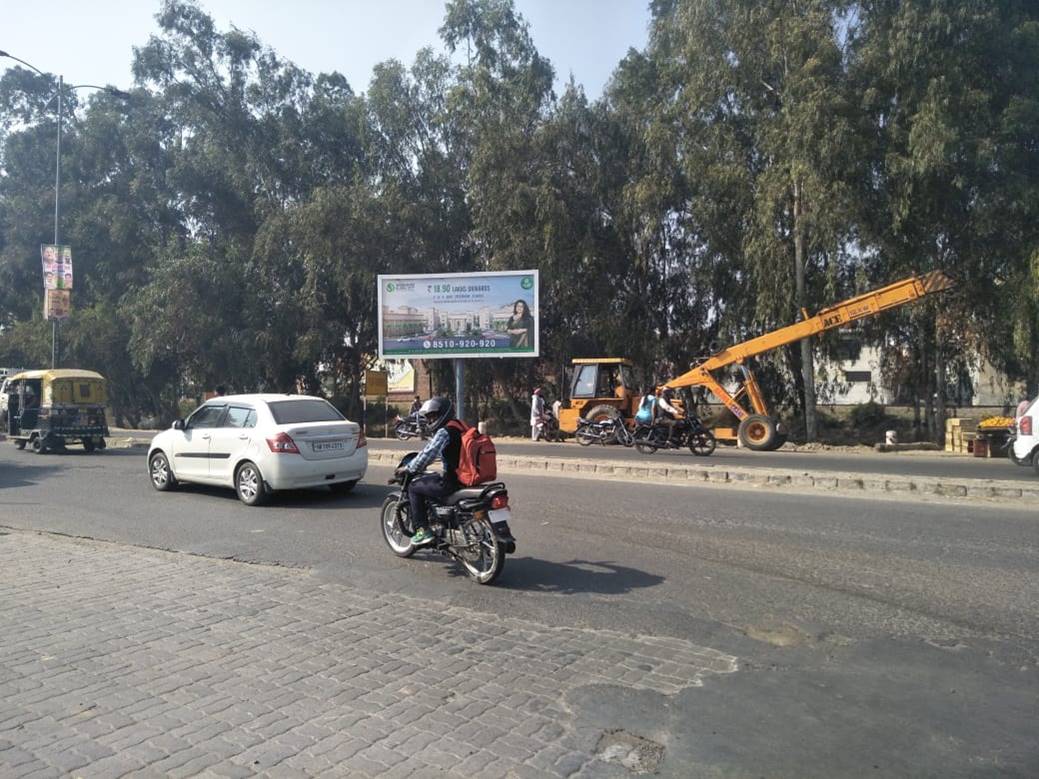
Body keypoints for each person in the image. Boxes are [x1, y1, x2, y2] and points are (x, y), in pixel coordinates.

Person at [400, 397, 463, 546]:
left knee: (414, 487)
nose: (430, 420)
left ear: (443, 414)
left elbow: (427, 455)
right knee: (433, 478)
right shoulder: (462, 426)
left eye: (432, 416)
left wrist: (408, 468)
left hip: (453, 481)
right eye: (428, 417)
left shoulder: (444, 432)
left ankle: (423, 530)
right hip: (468, 479)